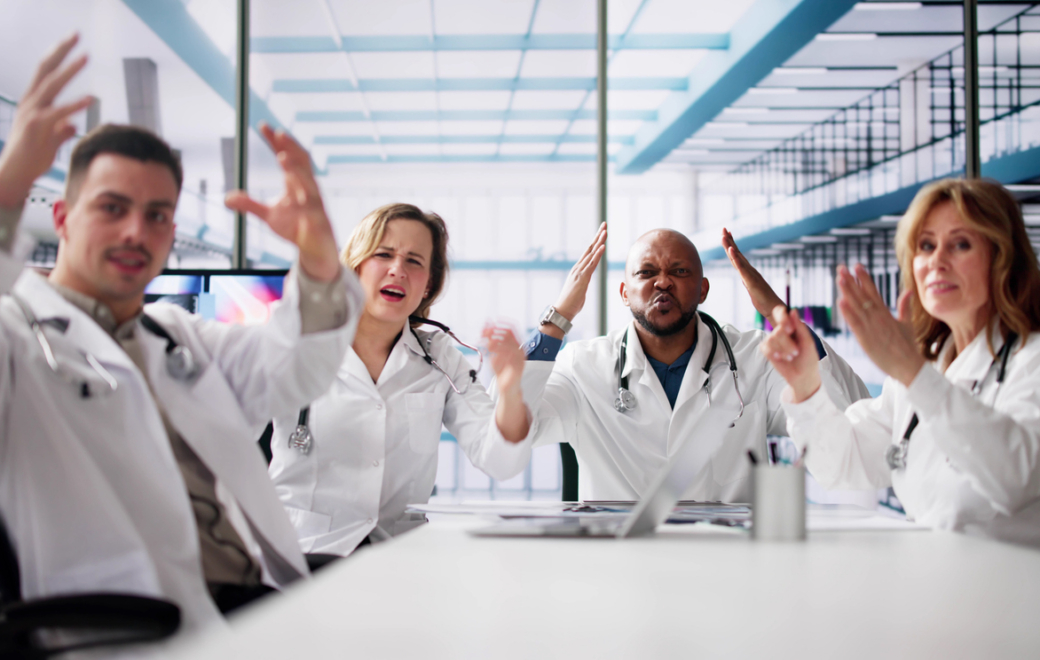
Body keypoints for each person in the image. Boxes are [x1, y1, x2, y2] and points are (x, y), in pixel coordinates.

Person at [0, 35, 363, 633]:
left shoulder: (176, 338)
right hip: (134, 627)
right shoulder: (17, 339)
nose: (135, 232)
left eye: (157, 216)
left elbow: (297, 367)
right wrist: (9, 185)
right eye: (111, 208)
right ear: (61, 218)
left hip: (250, 607)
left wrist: (321, 261)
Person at [761, 178, 1040, 547]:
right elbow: (844, 464)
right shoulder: (929, 365)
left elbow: (1015, 479)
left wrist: (915, 375)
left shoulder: (1029, 361)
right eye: (926, 245)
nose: (937, 261)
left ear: (1002, 259)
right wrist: (805, 385)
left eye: (960, 244)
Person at [510, 224, 869, 502]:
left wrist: (781, 316)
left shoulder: (756, 358)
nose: (663, 282)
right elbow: (513, 431)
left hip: (728, 561)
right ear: (624, 293)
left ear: (703, 289)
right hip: (620, 562)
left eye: (679, 272)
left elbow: (850, 420)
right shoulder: (582, 366)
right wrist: (557, 320)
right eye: (646, 272)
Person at [268, 203, 531, 557]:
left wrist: (511, 391)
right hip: (304, 553)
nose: (398, 270)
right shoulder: (299, 342)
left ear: (428, 285)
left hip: (399, 557)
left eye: (414, 261)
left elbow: (500, 461)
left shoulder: (439, 356)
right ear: (355, 268)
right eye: (384, 255)